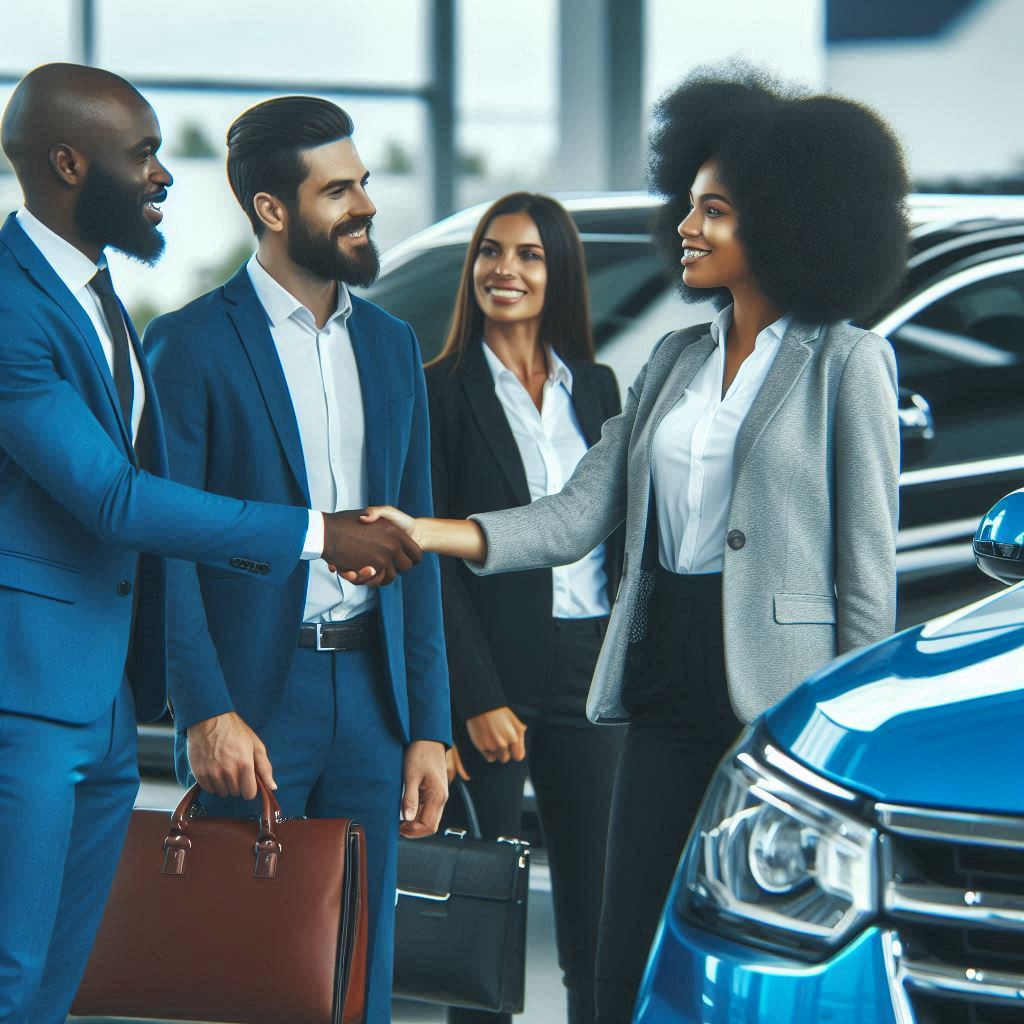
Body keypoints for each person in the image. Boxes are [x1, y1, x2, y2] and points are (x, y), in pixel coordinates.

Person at [361, 64, 906, 1022]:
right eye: (687, 206)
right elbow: (575, 514)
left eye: (717, 212)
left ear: (786, 223)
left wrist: (848, 738)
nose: (687, 229)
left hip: (777, 700)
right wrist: (427, 531)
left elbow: (866, 579)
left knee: (765, 942)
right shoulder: (672, 363)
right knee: (621, 951)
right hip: (659, 683)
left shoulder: (849, 363)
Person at [0, 66, 420, 1024]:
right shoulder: (13, 306)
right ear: (70, 162)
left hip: (103, 703)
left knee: (58, 985)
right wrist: (317, 534)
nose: (164, 178)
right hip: (24, 693)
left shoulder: (100, 298)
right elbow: (117, 499)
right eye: (143, 155)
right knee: (14, 974)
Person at [145, 96, 450, 1024]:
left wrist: (428, 724)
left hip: (373, 699)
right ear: (273, 210)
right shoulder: (189, 345)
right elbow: (170, 544)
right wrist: (205, 710)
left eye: (362, 183)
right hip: (252, 701)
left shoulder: (396, 350)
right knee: (249, 959)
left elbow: (419, 545)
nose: (364, 203)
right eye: (339, 190)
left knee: (362, 965)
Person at [425, 192, 624, 1024]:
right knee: (487, 917)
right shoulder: (436, 390)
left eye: (530, 255)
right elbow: (427, 560)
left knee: (599, 914)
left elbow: (616, 532)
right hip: (496, 674)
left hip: (593, 671)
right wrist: (474, 697)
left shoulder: (602, 388)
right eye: (492, 251)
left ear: (560, 274)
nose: (505, 269)